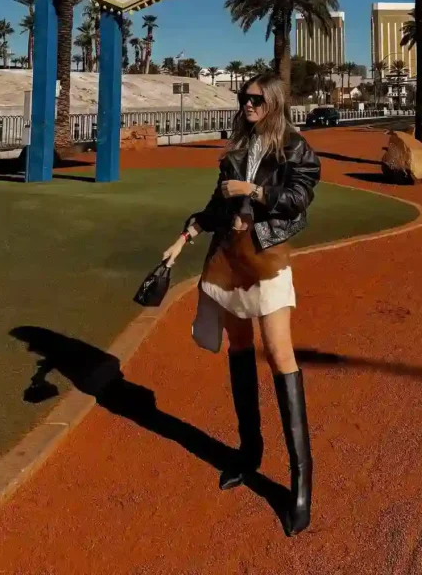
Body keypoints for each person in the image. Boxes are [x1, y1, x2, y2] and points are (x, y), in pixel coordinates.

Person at [162, 72, 321, 536]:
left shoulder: (293, 147)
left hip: (266, 255)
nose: (248, 105)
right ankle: (249, 452)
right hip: (228, 257)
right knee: (238, 348)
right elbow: (216, 205)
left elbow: (297, 200)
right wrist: (186, 234)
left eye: (256, 99)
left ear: (273, 102)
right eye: (244, 98)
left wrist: (252, 192)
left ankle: (300, 485)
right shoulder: (237, 148)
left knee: (278, 352)